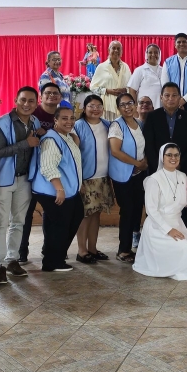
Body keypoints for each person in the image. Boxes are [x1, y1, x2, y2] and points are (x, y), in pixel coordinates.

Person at [0, 86, 38, 285]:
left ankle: (12, 260)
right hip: (4, 180)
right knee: (1, 223)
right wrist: (26, 143)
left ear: (36, 103)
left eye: (31, 101)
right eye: (23, 100)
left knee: (18, 221)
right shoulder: (1, 124)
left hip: (25, 179)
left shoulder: (34, 122)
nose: (27, 104)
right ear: (15, 101)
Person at [134, 143, 187, 280]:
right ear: (162, 157)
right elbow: (151, 210)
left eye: (176, 155)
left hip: (177, 222)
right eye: (169, 155)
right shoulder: (153, 180)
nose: (173, 158)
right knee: (186, 251)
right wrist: (168, 230)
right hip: (158, 226)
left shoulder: (183, 176)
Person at [31, 106, 84, 272]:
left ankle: (53, 255)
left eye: (72, 118)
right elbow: (48, 166)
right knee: (60, 224)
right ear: (55, 120)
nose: (69, 122)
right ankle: (52, 262)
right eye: (64, 118)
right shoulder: (51, 139)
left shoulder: (66, 136)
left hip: (68, 190)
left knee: (70, 218)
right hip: (53, 190)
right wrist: (59, 189)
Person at [19, 82, 63, 263]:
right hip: (29, 171)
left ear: (60, 97)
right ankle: (21, 251)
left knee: (51, 212)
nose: (52, 96)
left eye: (55, 93)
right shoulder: (32, 113)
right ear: (41, 96)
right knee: (26, 213)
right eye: (48, 93)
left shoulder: (62, 115)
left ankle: (49, 250)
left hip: (52, 172)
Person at [73, 95, 114, 264]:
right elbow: (73, 154)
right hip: (86, 178)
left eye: (99, 106)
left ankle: (93, 248)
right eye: (91, 106)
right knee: (85, 215)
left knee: (96, 213)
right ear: (84, 108)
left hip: (103, 177)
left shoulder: (107, 125)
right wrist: (78, 180)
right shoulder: (78, 126)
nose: (95, 109)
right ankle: (82, 250)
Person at [109, 93, 148, 263]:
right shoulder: (116, 126)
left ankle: (132, 245)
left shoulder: (139, 123)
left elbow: (144, 146)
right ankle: (123, 250)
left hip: (139, 175)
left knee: (137, 209)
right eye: (123, 105)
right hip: (123, 176)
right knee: (127, 211)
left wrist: (144, 162)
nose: (127, 107)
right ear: (118, 108)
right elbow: (115, 151)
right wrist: (136, 163)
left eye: (130, 103)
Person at [143, 82, 187, 177]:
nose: (170, 99)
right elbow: (148, 144)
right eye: (167, 95)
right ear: (161, 97)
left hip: (182, 169)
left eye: (174, 95)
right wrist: (159, 164)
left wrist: (180, 163)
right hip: (157, 170)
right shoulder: (152, 117)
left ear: (179, 98)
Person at [91, 40, 132, 121]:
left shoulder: (126, 67)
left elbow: (131, 86)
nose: (116, 50)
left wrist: (125, 90)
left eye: (118, 49)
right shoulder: (101, 67)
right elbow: (92, 87)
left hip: (123, 107)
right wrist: (107, 91)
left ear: (122, 52)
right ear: (108, 50)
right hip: (107, 107)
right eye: (113, 48)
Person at [128, 43, 163, 110]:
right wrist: (135, 108)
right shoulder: (139, 70)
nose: (153, 55)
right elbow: (132, 90)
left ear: (159, 54)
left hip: (160, 108)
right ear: (146, 55)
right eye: (150, 52)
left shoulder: (164, 70)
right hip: (144, 109)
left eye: (156, 52)